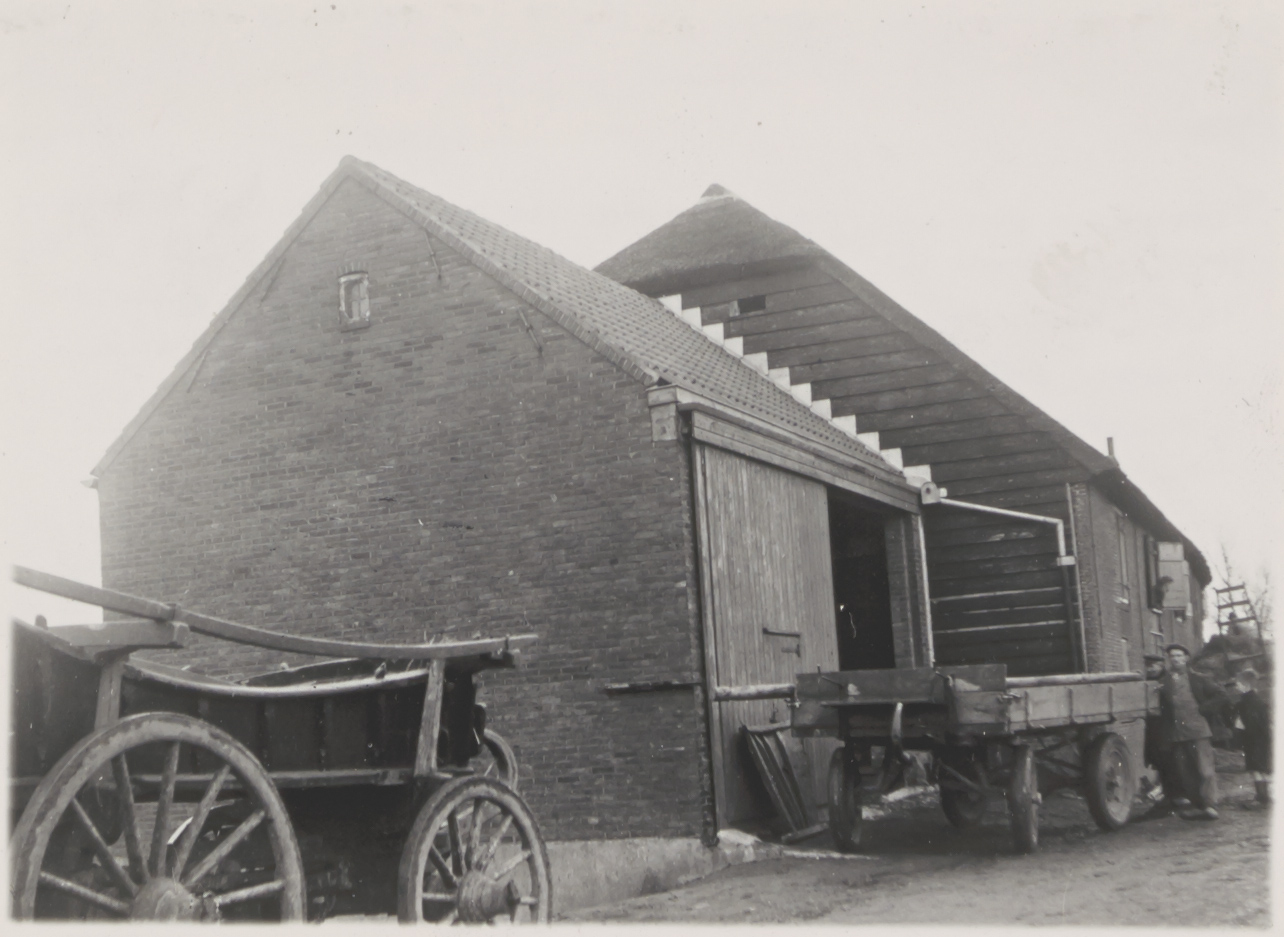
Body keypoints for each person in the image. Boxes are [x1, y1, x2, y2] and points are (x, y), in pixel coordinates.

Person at [1158, 643, 1230, 820]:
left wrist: (1204, 708)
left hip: (1198, 731)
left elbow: (1222, 695)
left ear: (1186, 658)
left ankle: (1210, 805)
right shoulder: (1164, 681)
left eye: (1179, 655)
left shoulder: (1198, 678)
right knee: (1186, 773)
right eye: (1172, 656)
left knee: (1205, 770)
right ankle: (1198, 807)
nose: (1175, 659)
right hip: (1177, 733)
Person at [1141, 654, 1188, 817]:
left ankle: (1176, 798)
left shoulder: (1168, 680)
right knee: (1160, 762)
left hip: (1168, 727)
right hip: (1154, 728)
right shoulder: (1148, 681)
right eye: (1148, 665)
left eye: (1153, 665)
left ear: (1161, 665)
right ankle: (1170, 798)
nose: (1150, 668)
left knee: (1171, 762)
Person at [1234, 669, 1272, 806]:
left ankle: (1262, 798)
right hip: (1261, 739)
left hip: (1254, 740)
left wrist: (1239, 727)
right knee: (1261, 769)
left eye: (1238, 683)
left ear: (1245, 685)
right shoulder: (1256, 700)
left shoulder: (1247, 702)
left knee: (1256, 769)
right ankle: (1263, 797)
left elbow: (1249, 723)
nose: (1236, 686)